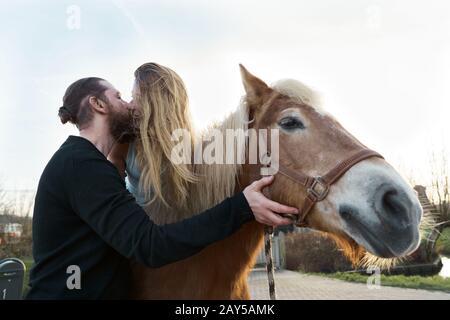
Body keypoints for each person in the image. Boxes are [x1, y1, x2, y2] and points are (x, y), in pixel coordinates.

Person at [26, 76, 298, 299]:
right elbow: (150, 245)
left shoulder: (93, 166)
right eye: (119, 97)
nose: (130, 104)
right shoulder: (80, 166)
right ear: (98, 104)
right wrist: (241, 206)